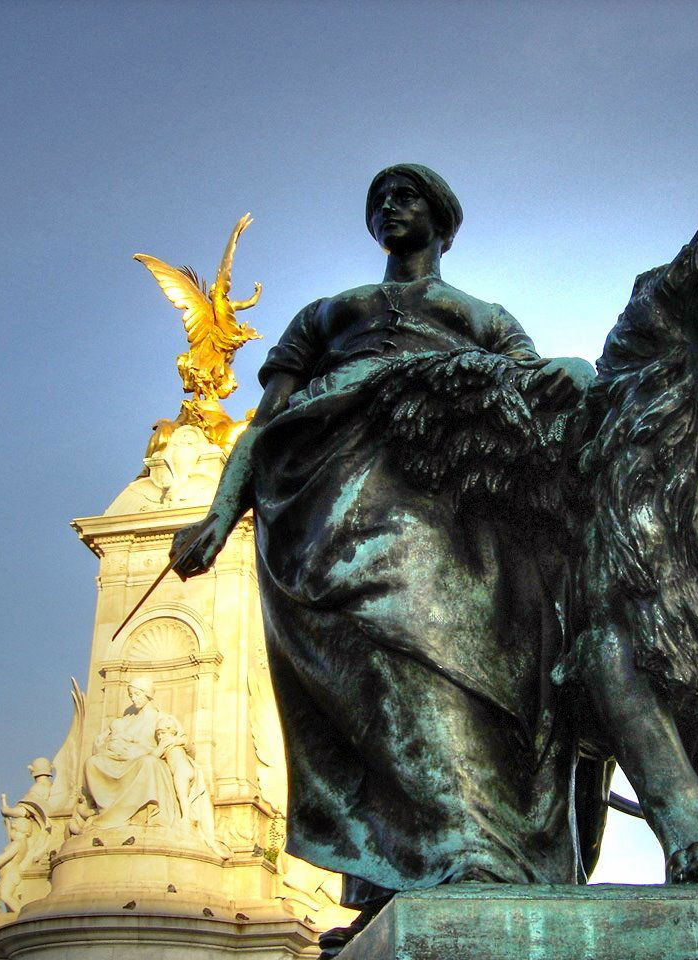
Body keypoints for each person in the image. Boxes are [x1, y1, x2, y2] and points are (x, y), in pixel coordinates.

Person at [171, 165, 595, 930]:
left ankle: (461, 854)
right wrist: (218, 510)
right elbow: (266, 425)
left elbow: (538, 394)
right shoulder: (330, 314)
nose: (391, 209)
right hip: (330, 504)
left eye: (407, 198)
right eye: (380, 203)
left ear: (442, 222)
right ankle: (397, 867)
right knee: (371, 678)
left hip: (448, 502)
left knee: (450, 659)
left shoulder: (483, 316)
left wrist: (581, 370)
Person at [82, 677, 180, 829]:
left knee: (148, 762)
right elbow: (107, 739)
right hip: (121, 759)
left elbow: (183, 741)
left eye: (136, 694)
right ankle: (107, 810)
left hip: (145, 759)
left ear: (147, 694)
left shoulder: (161, 717)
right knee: (92, 762)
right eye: (131, 695)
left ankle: (132, 812)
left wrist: (169, 744)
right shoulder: (127, 719)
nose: (133, 699)